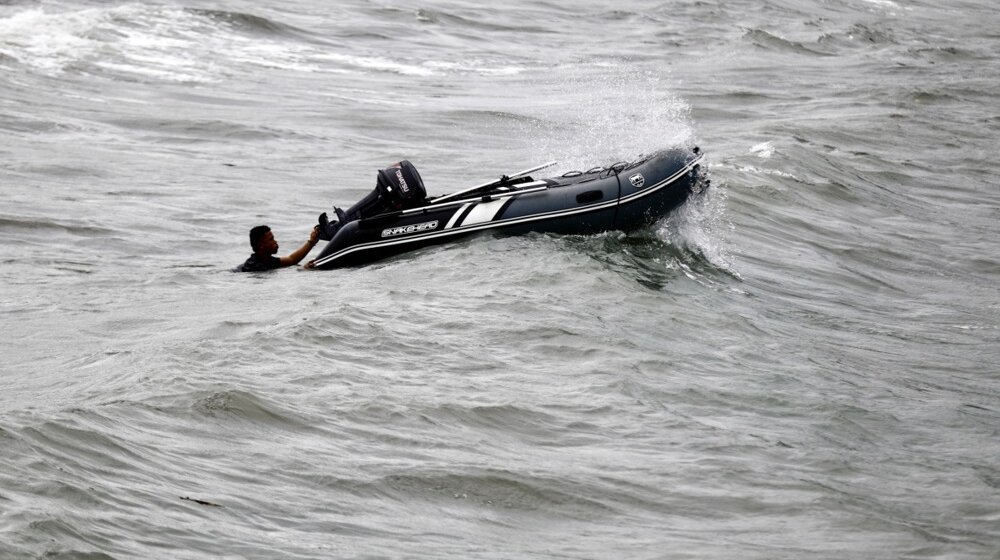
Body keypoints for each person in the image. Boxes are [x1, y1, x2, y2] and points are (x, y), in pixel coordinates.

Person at [237, 224, 320, 272]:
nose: (275, 242)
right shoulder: (254, 265)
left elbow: (292, 260)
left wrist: (312, 241)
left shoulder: (267, 259)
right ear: (261, 245)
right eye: (271, 239)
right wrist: (303, 269)